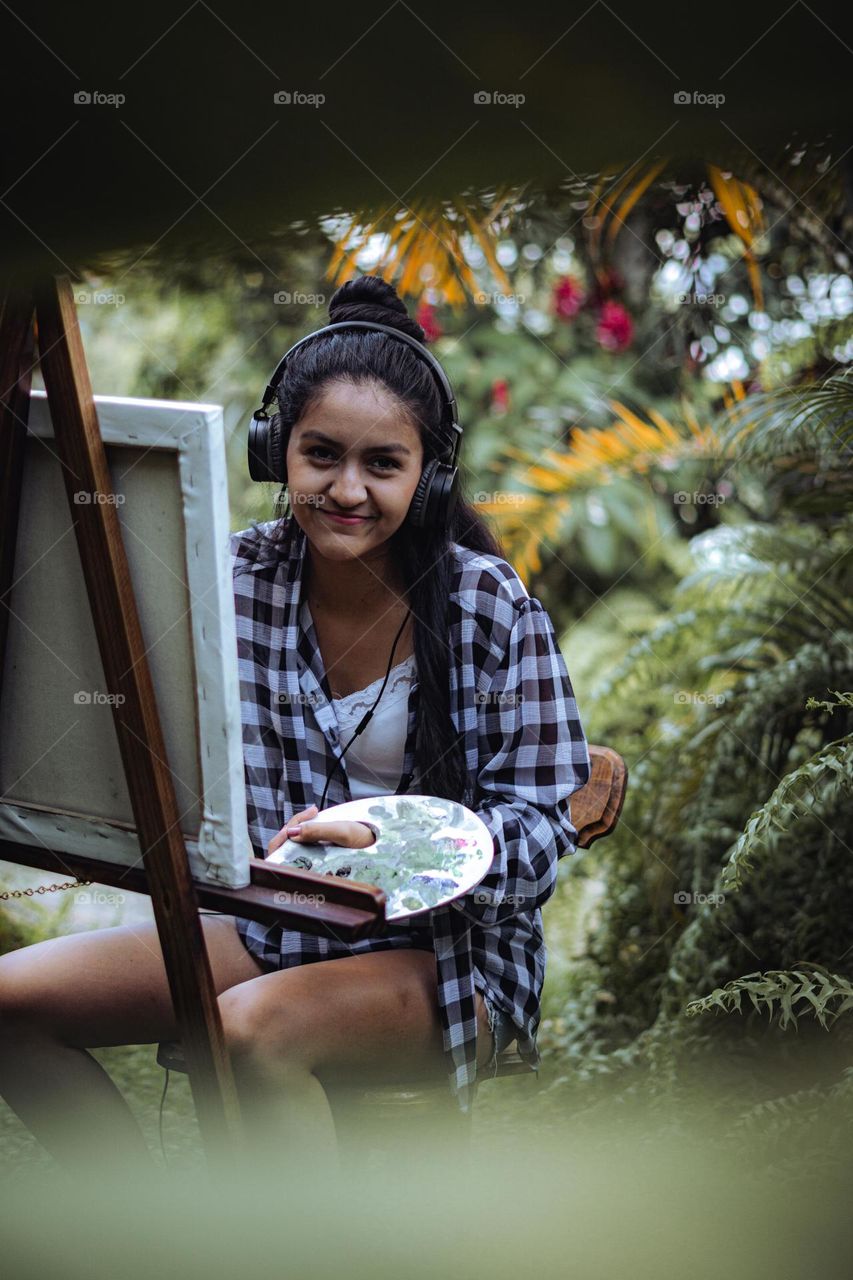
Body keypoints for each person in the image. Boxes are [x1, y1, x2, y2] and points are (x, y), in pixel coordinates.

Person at [0, 274, 590, 1175]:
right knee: (9, 1005)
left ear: (427, 476)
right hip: (268, 929)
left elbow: (544, 826)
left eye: (382, 465)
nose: (345, 489)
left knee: (247, 1033)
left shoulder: (486, 606)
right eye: (321, 454)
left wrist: (387, 845)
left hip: (444, 958)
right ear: (277, 449)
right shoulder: (232, 579)